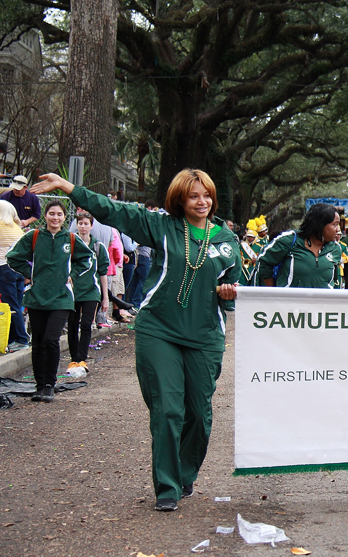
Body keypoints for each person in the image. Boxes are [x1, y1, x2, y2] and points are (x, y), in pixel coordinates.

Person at [30, 170, 239, 512]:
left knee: (199, 414)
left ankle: (185, 472)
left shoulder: (226, 239)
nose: (202, 202)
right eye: (193, 196)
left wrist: (228, 292)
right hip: (160, 329)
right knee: (168, 408)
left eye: (207, 196)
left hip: (204, 335)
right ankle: (167, 486)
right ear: (180, 200)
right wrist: (69, 188)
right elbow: (115, 211)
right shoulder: (163, 227)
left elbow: (232, 289)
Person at [7, 199, 93, 402]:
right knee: (37, 343)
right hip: (37, 297)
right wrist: (30, 273)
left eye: (59, 214)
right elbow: (13, 257)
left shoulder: (71, 238)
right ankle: (39, 385)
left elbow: (87, 259)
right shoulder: (34, 236)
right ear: (45, 216)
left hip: (62, 298)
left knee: (51, 340)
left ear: (65, 218)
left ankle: (49, 385)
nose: (55, 217)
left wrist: (73, 273)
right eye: (52, 214)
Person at [254, 203, 342, 288]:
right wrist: (274, 291)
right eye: (335, 224)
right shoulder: (289, 240)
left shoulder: (335, 249)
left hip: (322, 302)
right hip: (290, 302)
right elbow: (264, 262)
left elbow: (335, 281)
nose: (338, 230)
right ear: (319, 225)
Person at [68, 213, 110, 371]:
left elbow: (103, 273)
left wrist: (105, 298)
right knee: (72, 324)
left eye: (86, 223)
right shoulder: (70, 244)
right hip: (72, 291)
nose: (83, 226)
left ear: (91, 226)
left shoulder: (98, 246)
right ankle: (74, 358)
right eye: (80, 223)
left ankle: (82, 357)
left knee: (86, 324)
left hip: (92, 291)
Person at [0, 200, 28, 352]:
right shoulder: (17, 229)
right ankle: (12, 338)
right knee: (16, 304)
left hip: (4, 268)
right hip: (18, 270)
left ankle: (21, 338)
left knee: (10, 305)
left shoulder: (1, 227)